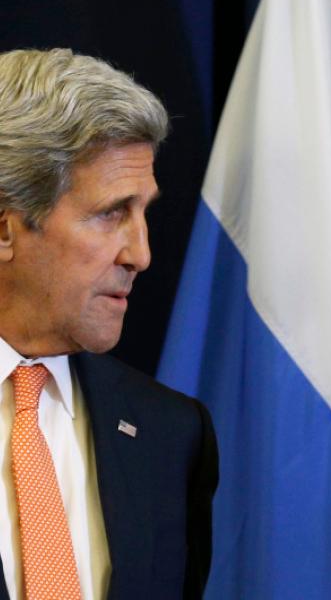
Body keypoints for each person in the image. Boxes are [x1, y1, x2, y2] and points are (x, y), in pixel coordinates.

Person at [0, 48, 217, 600]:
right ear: (5, 229)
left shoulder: (171, 433)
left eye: (144, 212)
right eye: (111, 213)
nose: (140, 255)